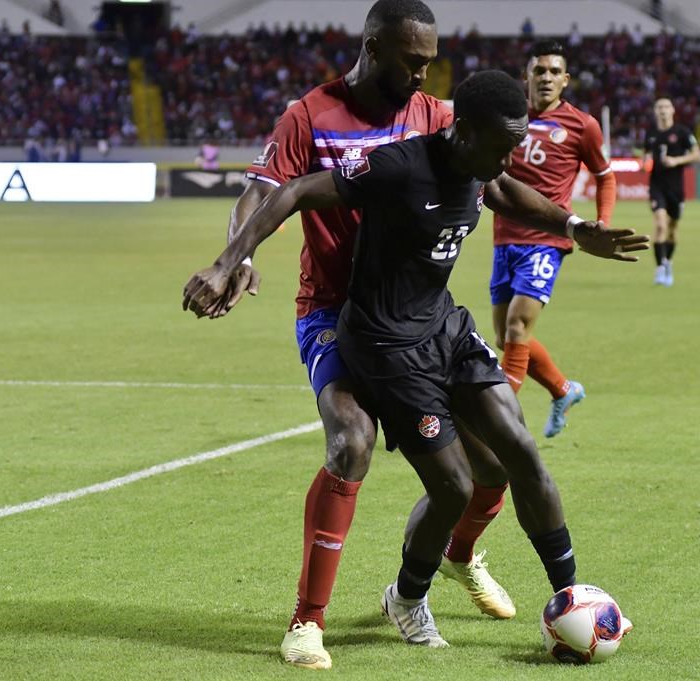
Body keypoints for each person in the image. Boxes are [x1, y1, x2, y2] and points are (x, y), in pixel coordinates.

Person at [183, 69, 646, 650]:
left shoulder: (478, 165)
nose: (510, 159)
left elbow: (499, 188)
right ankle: (402, 600)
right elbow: (295, 189)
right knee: (450, 486)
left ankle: (576, 596)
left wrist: (575, 225)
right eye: (502, 146)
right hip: (387, 346)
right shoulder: (397, 165)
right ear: (467, 131)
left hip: (444, 327)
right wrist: (231, 261)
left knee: (517, 454)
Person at [189, 0, 508, 669]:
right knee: (351, 439)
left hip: (419, 317)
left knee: (491, 463)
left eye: (430, 61)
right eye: (412, 60)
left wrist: (567, 227)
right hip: (333, 312)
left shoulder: (435, 116)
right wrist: (235, 260)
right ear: (374, 46)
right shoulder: (309, 114)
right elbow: (266, 191)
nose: (423, 75)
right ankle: (307, 622)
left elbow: (487, 177)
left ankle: (455, 558)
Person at [487, 40, 617, 439]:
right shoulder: (507, 117)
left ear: (566, 80)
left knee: (516, 326)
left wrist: (601, 223)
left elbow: (605, 175)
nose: (546, 78)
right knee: (506, 337)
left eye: (553, 72)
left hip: (548, 240)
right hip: (504, 238)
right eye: (539, 71)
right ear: (525, 76)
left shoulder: (583, 125)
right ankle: (564, 390)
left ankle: (500, 423)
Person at [644, 97, 700, 287]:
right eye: (659, 107)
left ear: (673, 110)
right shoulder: (650, 134)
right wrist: (645, 163)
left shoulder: (682, 132)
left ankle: (668, 262)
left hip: (676, 188)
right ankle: (660, 268)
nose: (663, 110)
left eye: (666, 107)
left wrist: (676, 161)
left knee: (672, 230)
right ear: (655, 111)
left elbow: (696, 154)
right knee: (660, 226)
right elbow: (646, 155)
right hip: (656, 186)